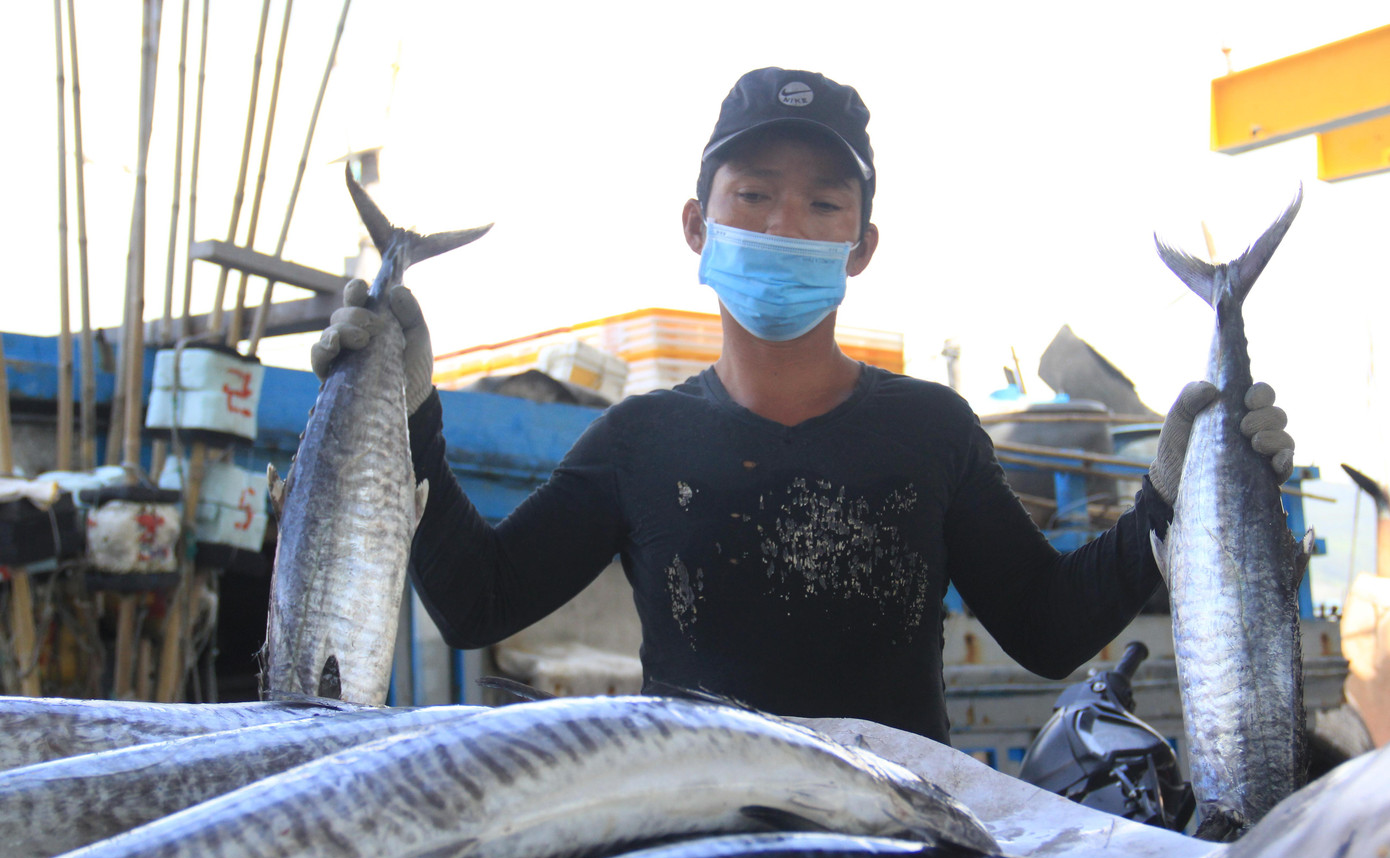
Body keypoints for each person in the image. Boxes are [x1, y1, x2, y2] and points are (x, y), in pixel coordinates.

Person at [312, 67, 1294, 743]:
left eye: (824, 205)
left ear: (861, 245)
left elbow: (1043, 629)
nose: (787, 223)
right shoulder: (638, 441)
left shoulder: (931, 431)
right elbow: (479, 602)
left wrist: (1170, 499)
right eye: (754, 195)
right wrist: (407, 417)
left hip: (900, 856)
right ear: (698, 225)